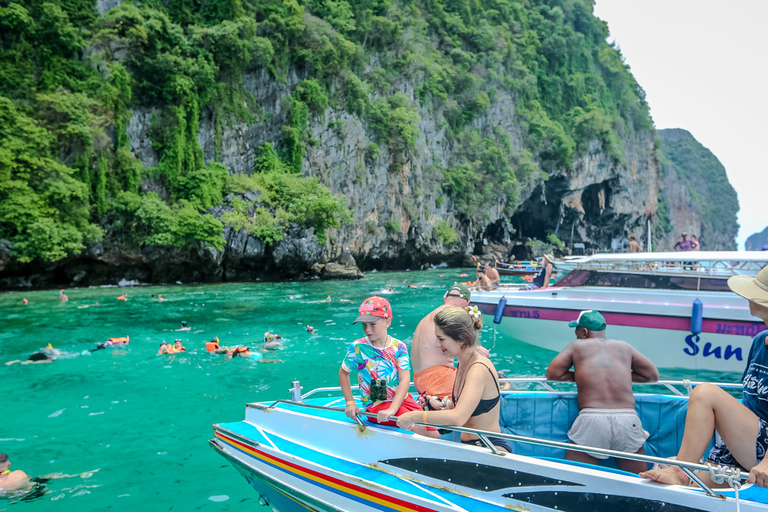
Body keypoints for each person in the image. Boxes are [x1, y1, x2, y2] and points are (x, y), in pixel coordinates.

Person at [641, 266, 768, 487]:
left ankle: (681, 470)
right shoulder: (759, 341)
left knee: (705, 393)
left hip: (764, 453)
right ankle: (684, 471)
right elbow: (749, 407)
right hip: (751, 443)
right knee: (695, 486)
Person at [546, 310, 659, 473]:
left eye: (576, 330)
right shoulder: (623, 346)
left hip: (593, 418)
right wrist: (622, 376)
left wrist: (582, 376)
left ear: (584, 332)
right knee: (637, 482)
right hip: (628, 418)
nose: (575, 334)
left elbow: (553, 374)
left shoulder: (577, 345)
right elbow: (652, 376)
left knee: (573, 481)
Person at [398, 306, 510, 452]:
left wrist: (414, 416)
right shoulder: (463, 363)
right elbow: (468, 407)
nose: (437, 345)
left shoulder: (478, 368)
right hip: (474, 445)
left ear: (460, 340)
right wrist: (445, 404)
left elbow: (458, 418)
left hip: (489, 447)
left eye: (441, 339)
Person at [339, 296, 438, 438]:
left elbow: (405, 380)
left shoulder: (399, 347)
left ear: (387, 322)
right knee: (419, 430)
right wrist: (350, 402)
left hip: (402, 400)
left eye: (372, 324)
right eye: (364, 325)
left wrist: (393, 408)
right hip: (376, 406)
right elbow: (343, 373)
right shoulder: (357, 347)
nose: (367, 329)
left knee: (434, 433)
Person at [412, 284, 489, 405]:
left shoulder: (428, 317)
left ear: (445, 298)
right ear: (467, 303)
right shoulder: (451, 316)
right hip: (439, 379)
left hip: (419, 379)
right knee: (483, 391)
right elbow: (462, 346)